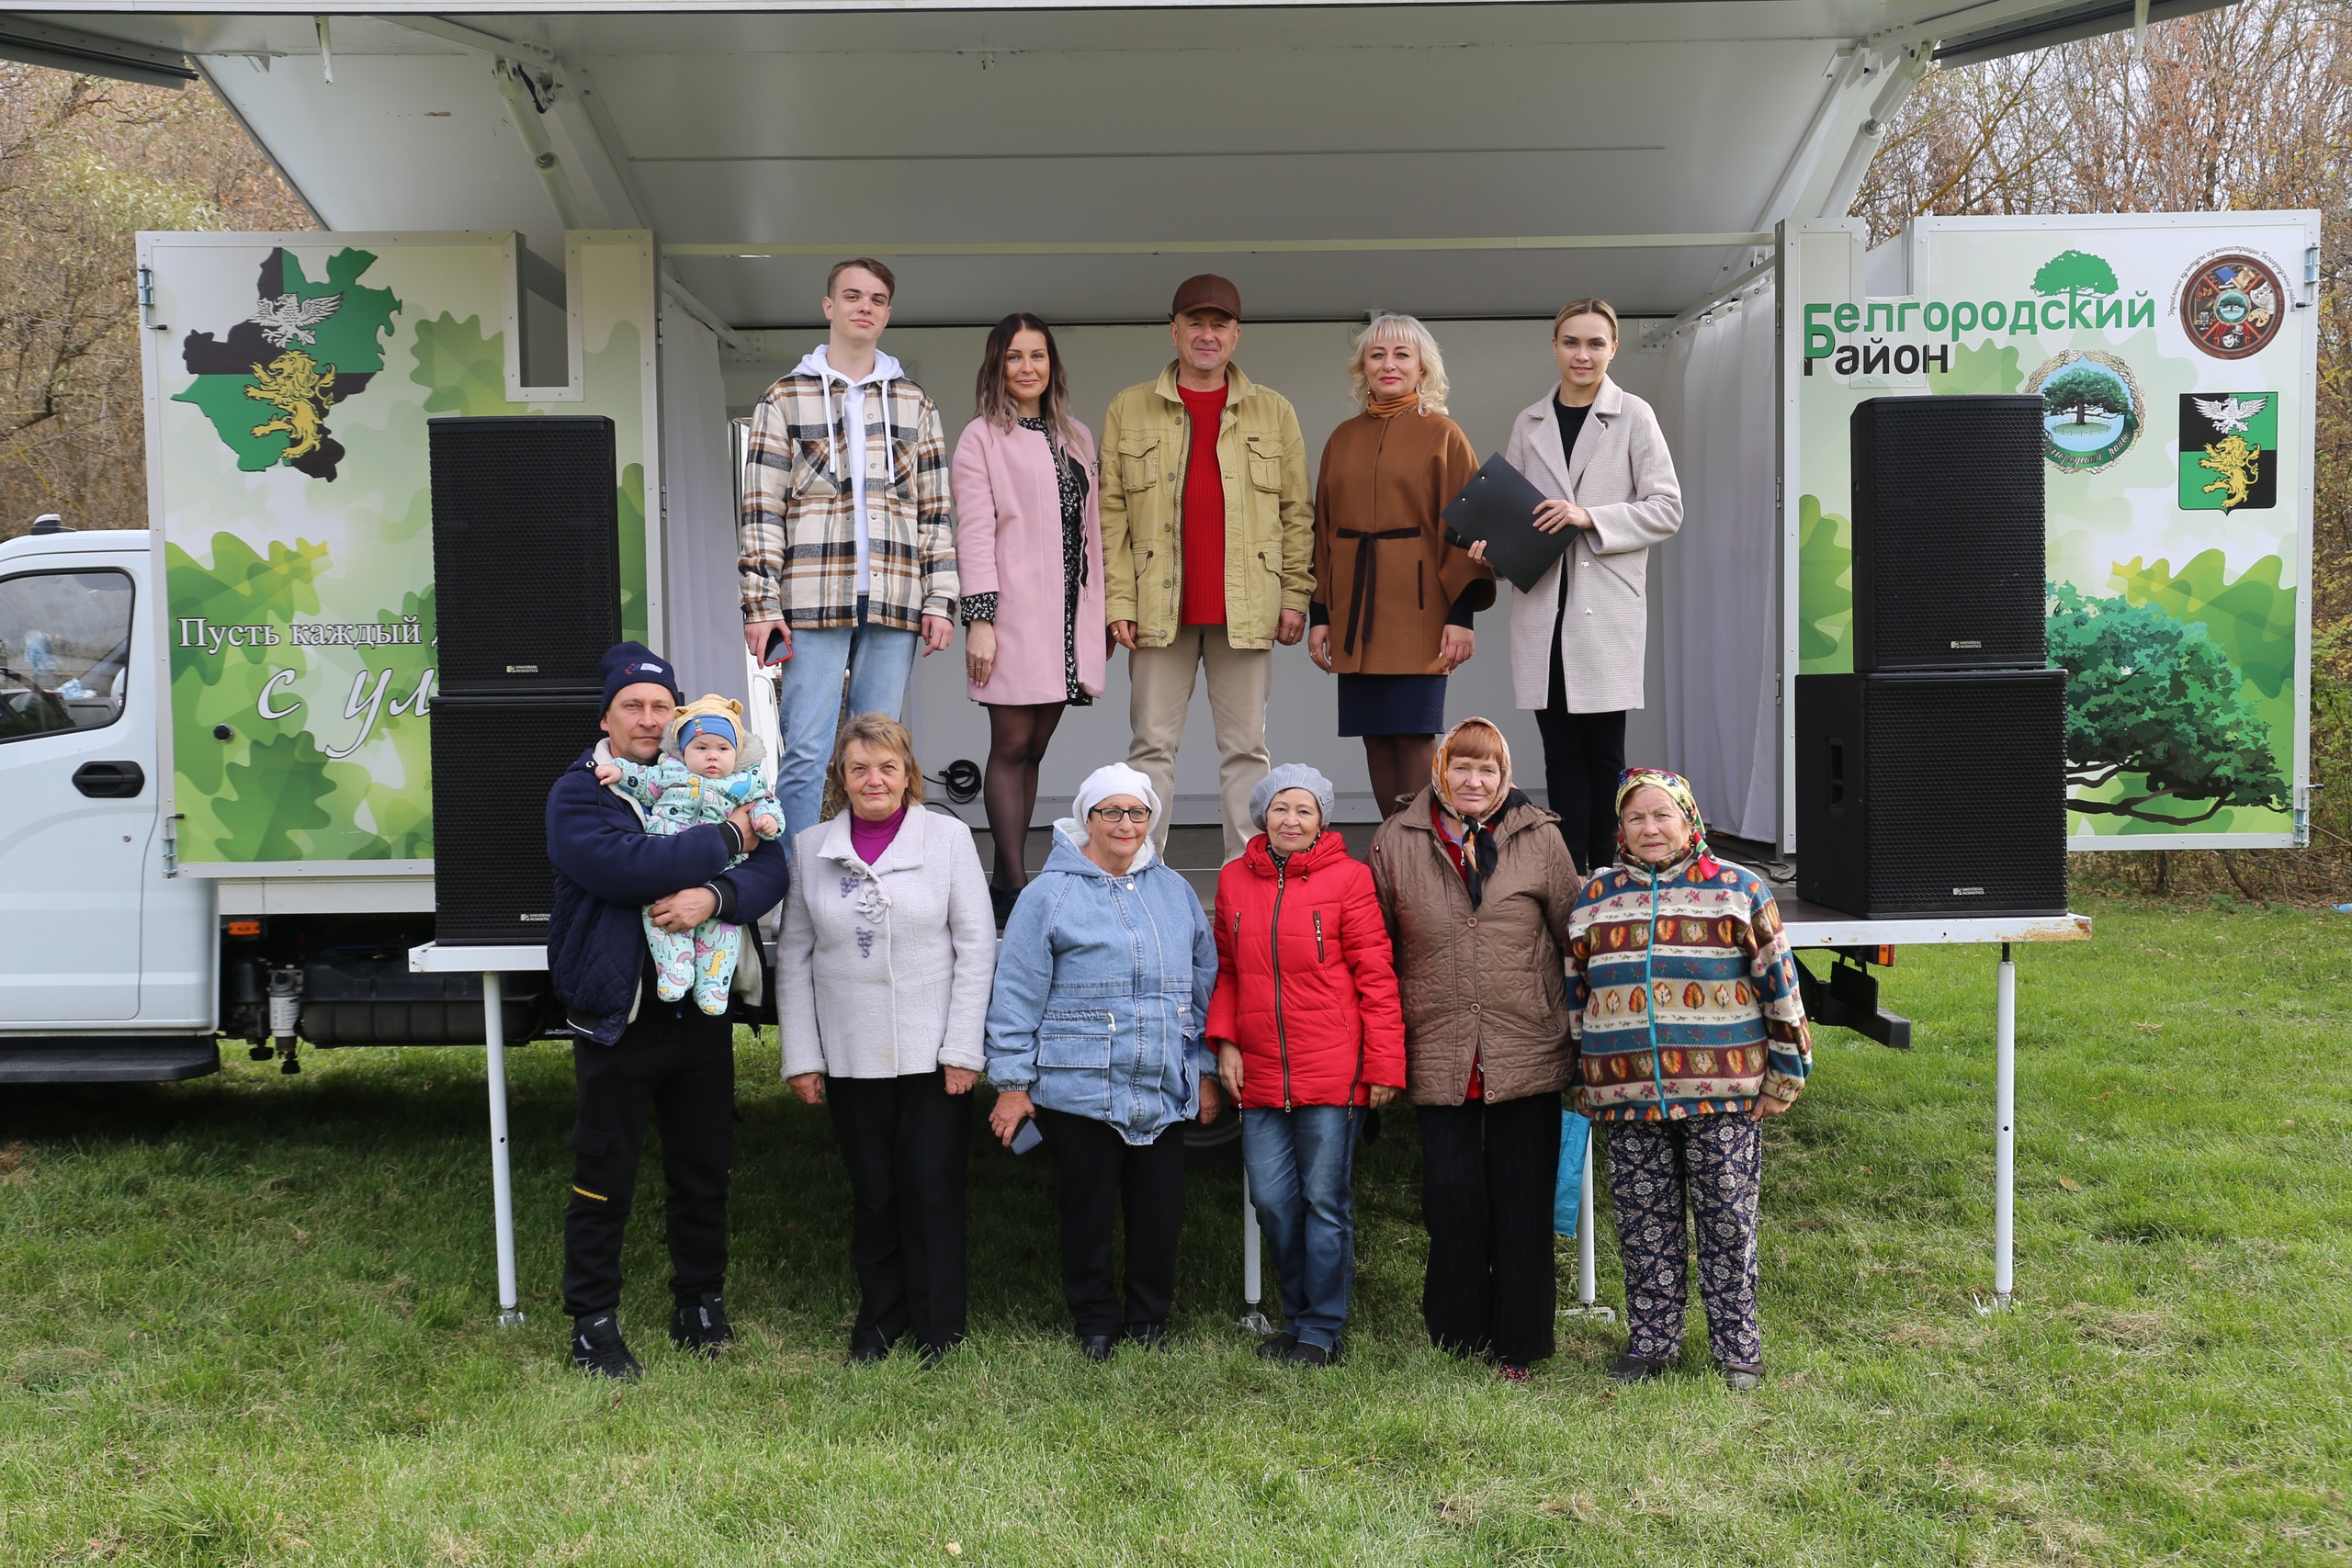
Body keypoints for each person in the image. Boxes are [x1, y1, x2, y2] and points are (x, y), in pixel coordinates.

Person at [545, 642, 793, 1379]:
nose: (649, 719)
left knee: (702, 1166)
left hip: (700, 1015)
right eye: (634, 706)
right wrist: (730, 839)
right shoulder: (583, 792)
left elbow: (776, 866)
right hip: (621, 1016)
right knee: (604, 1170)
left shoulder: (716, 775)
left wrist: (717, 894)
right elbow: (629, 868)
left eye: (661, 706)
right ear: (607, 717)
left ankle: (700, 1302)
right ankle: (592, 1321)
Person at [1567, 769, 1811, 1393]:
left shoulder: (1738, 888)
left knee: (1728, 1220)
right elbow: (1576, 996)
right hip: (1625, 1094)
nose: (1649, 828)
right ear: (1619, 827)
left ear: (1688, 819)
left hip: (1723, 1092)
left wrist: (1786, 1071)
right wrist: (1581, 1074)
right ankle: (1652, 1344)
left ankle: (1738, 1351)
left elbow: (1780, 986)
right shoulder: (1595, 897)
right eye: (1635, 817)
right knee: (1644, 1223)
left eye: (1661, 815)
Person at [776, 713, 996, 1367]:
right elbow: (794, 956)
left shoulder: (949, 837)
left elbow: (977, 947)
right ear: (841, 779)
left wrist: (964, 1048)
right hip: (849, 1053)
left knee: (930, 1190)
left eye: (887, 766)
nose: (874, 779)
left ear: (908, 775)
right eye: (859, 768)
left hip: (933, 1055)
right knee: (873, 1192)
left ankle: (939, 1329)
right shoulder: (811, 846)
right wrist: (802, 1056)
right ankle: (879, 1321)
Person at [1367, 717, 1581, 1382]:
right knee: (1452, 1198)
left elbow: (1575, 938)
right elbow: (1374, 946)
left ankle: (1517, 1346)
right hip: (1439, 1040)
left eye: (1487, 769)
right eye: (1461, 766)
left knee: (1522, 1201)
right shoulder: (1396, 837)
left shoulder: (1540, 837)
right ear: (1439, 770)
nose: (1474, 780)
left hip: (1526, 1040)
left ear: (1505, 775)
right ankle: (1458, 1334)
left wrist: (1583, 1037)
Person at [982, 763, 1220, 1359]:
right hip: (1078, 1085)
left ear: (1151, 820)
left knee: (1158, 1212)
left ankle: (1149, 1321)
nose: (1125, 823)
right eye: (1110, 811)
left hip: (1162, 1083)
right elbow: (1015, 993)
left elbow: (1204, 986)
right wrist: (1012, 1080)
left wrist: (1207, 1069)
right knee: (1087, 1211)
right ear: (1086, 818)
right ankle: (1094, 1320)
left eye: (1137, 812)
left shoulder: (1174, 891)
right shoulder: (1049, 894)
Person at [740, 257, 957, 844]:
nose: (865, 306)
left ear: (887, 313)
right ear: (828, 306)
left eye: (878, 298)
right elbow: (760, 512)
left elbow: (936, 512)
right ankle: (791, 892)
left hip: (895, 601)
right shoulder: (783, 398)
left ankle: (868, 880)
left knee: (878, 756)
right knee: (808, 750)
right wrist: (761, 606)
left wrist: (940, 600)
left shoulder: (915, 403)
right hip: (810, 599)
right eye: (853, 295)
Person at [1100, 274, 1314, 863]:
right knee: (1150, 749)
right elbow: (1110, 517)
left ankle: (1249, 879)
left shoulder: (1273, 411)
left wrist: (1296, 596)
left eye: (1219, 325)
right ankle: (1141, 872)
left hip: (1246, 611)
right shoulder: (1129, 407)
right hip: (1154, 611)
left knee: (1247, 750)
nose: (1206, 335)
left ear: (1236, 336)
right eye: (1195, 323)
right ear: (1174, 331)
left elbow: (1298, 513)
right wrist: (1119, 604)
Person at [1206, 763, 1404, 1366]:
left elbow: (1376, 974)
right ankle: (1296, 1317)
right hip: (1260, 1069)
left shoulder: (1350, 879)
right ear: (1262, 816)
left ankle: (1320, 1327)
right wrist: (1226, 1042)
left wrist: (1384, 1067)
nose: (1291, 820)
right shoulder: (1235, 880)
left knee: (1325, 1200)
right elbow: (1227, 972)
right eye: (1280, 808)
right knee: (1270, 1199)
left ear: (1322, 819)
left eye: (1305, 810)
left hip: (1333, 1069)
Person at [1490, 299, 1682, 872]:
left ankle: (1609, 871)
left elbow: (1667, 509)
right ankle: (1571, 876)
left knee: (1603, 752)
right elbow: (1519, 514)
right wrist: (1492, 551)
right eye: (1572, 342)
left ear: (1613, 348)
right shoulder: (1530, 422)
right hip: (1543, 607)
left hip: (1605, 609)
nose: (1583, 354)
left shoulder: (1635, 416)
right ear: (1554, 347)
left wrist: (1587, 516)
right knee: (1559, 755)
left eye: (1595, 343)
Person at [1307, 314, 1494, 817]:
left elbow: (1469, 530)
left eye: (1402, 355)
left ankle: (1424, 853)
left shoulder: (1444, 434)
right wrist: (1319, 614)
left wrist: (1462, 615)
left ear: (1423, 367)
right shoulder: (1341, 438)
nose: (1389, 364)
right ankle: (1394, 850)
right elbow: (1323, 531)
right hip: (1353, 609)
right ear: (1362, 367)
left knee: (1413, 735)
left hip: (1421, 609)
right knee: (1374, 737)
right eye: (1377, 354)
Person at [953, 314, 1105, 921]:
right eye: (1014, 356)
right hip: (1012, 612)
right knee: (1011, 743)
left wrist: (1100, 614)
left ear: (1052, 364)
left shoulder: (1077, 435)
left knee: (1035, 748)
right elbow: (974, 529)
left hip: (1067, 618)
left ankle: (1009, 871)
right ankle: (1013, 881)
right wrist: (980, 617)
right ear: (997, 365)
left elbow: (1091, 530)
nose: (1026, 367)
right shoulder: (980, 437)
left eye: (1037, 355)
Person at [594, 694, 784, 1013]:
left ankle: (713, 985)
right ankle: (674, 973)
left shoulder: (745, 784)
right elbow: (644, 781)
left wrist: (767, 820)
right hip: (666, 862)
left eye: (723, 749)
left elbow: (767, 803)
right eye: (701, 748)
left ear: (736, 754)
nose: (712, 757)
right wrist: (619, 773)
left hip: (720, 873)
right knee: (661, 918)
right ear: (682, 751)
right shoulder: (669, 772)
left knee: (722, 932)